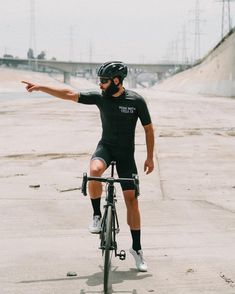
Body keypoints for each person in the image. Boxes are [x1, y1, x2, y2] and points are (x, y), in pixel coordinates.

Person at [22, 61, 154, 272]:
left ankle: (137, 249)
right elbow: (68, 93)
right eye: (100, 80)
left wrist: (149, 158)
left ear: (117, 81)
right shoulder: (100, 97)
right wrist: (41, 87)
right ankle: (96, 215)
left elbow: (148, 129)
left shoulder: (136, 101)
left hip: (126, 155)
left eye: (104, 80)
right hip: (106, 148)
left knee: (132, 201)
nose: (100, 84)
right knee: (93, 172)